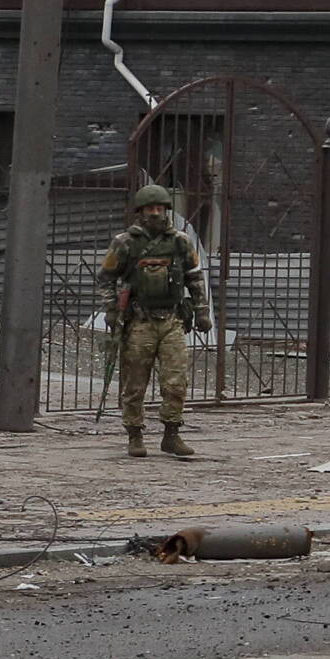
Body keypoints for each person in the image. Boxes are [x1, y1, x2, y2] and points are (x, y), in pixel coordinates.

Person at [98, 182, 210, 459]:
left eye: (160, 208)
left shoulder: (180, 241)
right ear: (141, 212)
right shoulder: (125, 242)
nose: (156, 214)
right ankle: (135, 434)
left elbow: (195, 277)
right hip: (140, 321)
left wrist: (202, 310)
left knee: (175, 381)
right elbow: (107, 278)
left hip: (172, 320)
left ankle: (171, 433)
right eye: (150, 208)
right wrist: (111, 309)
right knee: (135, 382)